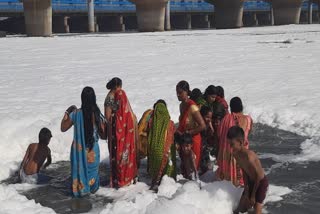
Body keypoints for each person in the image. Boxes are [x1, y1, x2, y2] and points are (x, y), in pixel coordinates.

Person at [61, 86, 106, 197]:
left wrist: (67, 113)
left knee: (79, 173)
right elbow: (104, 136)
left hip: (78, 152)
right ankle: (92, 196)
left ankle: (80, 192)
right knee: (92, 175)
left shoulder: (76, 114)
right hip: (92, 152)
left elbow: (63, 127)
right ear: (94, 99)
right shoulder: (97, 115)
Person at [104, 77, 138, 188]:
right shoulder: (110, 98)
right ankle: (119, 179)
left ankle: (126, 177)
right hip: (116, 132)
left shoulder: (120, 95)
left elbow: (127, 111)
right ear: (115, 87)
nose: (120, 90)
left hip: (124, 132)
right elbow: (108, 116)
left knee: (124, 154)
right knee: (118, 155)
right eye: (119, 88)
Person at [227, 126, 268, 214]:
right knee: (240, 208)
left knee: (257, 209)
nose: (231, 147)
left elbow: (258, 177)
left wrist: (252, 196)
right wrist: (246, 191)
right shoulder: (236, 155)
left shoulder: (249, 156)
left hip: (260, 183)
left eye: (232, 144)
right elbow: (244, 172)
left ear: (241, 142)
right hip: (250, 182)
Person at [216, 97, 253, 186]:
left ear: (231, 108)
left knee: (226, 183)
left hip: (227, 153)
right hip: (242, 152)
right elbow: (248, 133)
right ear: (241, 107)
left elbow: (219, 134)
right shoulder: (248, 119)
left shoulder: (226, 119)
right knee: (242, 180)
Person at [175, 81, 205, 180]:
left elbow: (202, 126)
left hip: (193, 140)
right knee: (186, 167)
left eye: (180, 92)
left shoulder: (192, 106)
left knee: (193, 167)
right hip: (185, 140)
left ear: (187, 92)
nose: (178, 95)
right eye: (177, 93)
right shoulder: (181, 105)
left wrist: (189, 133)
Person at [148, 100, 176, 190]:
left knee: (155, 164)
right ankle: (165, 182)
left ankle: (154, 182)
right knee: (167, 163)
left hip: (154, 150)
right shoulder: (170, 123)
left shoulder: (151, 122)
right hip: (166, 151)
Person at [199, 106, 215, 175]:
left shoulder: (208, 123)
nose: (209, 119)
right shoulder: (199, 124)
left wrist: (210, 126)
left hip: (204, 146)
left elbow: (211, 133)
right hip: (200, 146)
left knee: (207, 166)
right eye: (207, 117)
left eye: (210, 118)